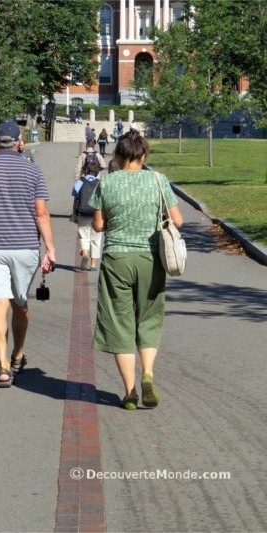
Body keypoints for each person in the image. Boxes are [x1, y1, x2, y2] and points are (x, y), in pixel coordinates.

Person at [88, 130, 183, 410]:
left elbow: (97, 226)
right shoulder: (158, 181)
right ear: (144, 156)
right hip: (150, 258)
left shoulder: (107, 183)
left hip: (116, 258)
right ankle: (148, 373)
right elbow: (177, 220)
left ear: (116, 156)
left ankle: (130, 392)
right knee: (149, 317)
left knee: (119, 323)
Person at [0, 120, 56, 388]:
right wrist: (50, 248)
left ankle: (3, 367)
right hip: (25, 246)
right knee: (20, 304)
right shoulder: (33, 171)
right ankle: (17, 356)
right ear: (18, 142)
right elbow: (41, 213)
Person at [72, 158, 104, 271]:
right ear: (97, 173)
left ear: (85, 170)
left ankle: (85, 253)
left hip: (82, 214)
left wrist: (74, 215)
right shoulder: (100, 183)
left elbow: (75, 197)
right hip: (96, 214)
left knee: (84, 236)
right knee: (96, 239)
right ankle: (94, 264)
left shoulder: (80, 183)